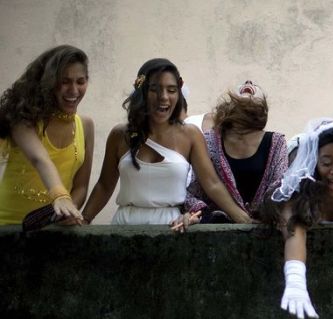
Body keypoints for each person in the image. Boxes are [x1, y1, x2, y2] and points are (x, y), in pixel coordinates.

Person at [81, 58, 250, 226]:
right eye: (154, 89)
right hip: (124, 225)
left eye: (171, 90)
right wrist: (84, 219)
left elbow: (212, 184)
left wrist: (243, 218)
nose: (163, 97)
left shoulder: (190, 135)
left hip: (171, 227)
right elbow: (104, 186)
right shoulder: (120, 135)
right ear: (141, 92)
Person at [261, 119, 333, 319]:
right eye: (326, 163)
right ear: (313, 163)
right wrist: (295, 279)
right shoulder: (297, 200)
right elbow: (294, 233)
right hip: (311, 297)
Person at [0, 45, 94, 225]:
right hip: (8, 230)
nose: (74, 91)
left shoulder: (86, 126)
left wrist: (68, 210)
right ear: (49, 82)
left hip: (55, 233)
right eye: (64, 81)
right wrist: (60, 196)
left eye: (80, 82)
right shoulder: (24, 119)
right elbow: (39, 158)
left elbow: (81, 186)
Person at [183, 81, 287, 222]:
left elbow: (280, 189)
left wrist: (260, 217)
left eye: (257, 86)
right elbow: (192, 194)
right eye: (244, 83)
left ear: (263, 107)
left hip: (264, 232)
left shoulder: (277, 142)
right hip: (217, 232)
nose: (249, 82)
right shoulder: (209, 141)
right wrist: (201, 215)